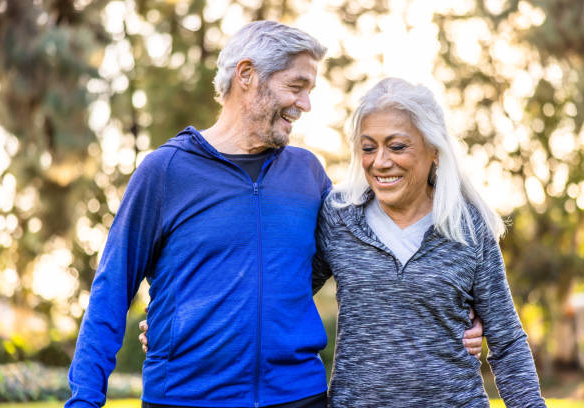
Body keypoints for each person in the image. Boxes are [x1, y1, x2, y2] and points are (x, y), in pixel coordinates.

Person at [68, 20, 483, 408]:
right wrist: (86, 399)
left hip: (298, 396)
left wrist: (456, 312)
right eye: (297, 86)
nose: (305, 104)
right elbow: (110, 292)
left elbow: (373, 253)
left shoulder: (308, 174)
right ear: (246, 76)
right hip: (185, 396)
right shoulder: (165, 172)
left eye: (309, 90)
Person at [310, 78, 546, 407]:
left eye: (396, 146)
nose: (380, 161)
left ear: (434, 149)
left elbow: (507, 342)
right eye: (368, 147)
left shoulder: (468, 226)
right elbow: (287, 296)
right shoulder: (338, 218)